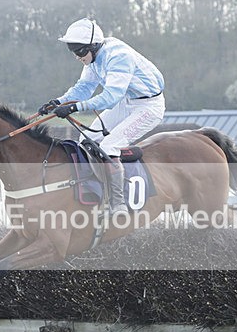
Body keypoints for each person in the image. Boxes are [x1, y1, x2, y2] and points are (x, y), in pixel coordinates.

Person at [38, 18, 165, 215]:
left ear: (94, 45)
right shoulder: (94, 57)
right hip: (127, 102)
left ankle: (118, 203)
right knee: (88, 139)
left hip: (148, 107)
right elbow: (84, 87)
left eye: (80, 51)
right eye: (73, 52)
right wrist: (59, 101)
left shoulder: (118, 57)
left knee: (108, 146)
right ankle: (99, 192)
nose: (77, 57)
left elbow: (110, 97)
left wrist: (74, 109)